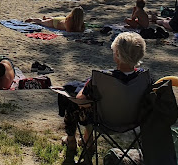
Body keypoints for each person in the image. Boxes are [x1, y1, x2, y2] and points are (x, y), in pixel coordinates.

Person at [61, 32, 148, 160]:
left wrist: (84, 88)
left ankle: (72, 139)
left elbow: (81, 101)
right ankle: (87, 139)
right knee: (81, 90)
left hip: (104, 122)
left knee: (70, 94)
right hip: (133, 121)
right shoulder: (145, 78)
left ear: (117, 54)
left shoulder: (102, 78)